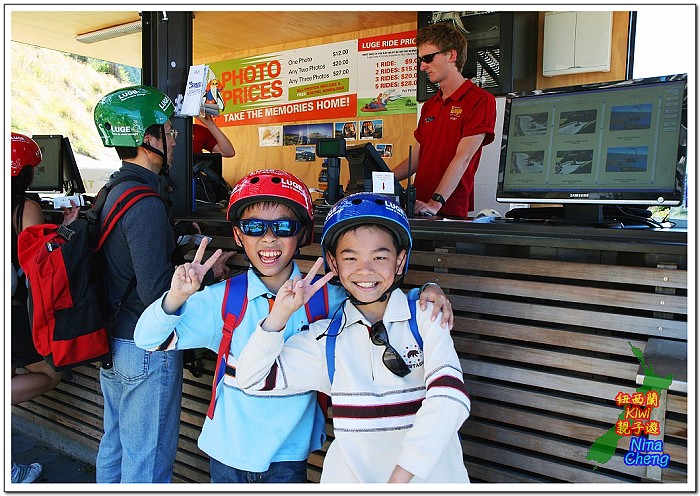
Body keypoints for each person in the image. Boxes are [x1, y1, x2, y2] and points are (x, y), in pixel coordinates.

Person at [134, 170, 453, 483]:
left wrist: (426, 291)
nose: (268, 237)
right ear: (238, 235)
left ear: (302, 234)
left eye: (283, 226)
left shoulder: (327, 298)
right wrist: (176, 296)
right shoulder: (223, 299)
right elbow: (147, 339)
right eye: (254, 226)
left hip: (289, 454)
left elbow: (375, 296)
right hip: (228, 452)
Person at [236, 192, 471, 483]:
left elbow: (449, 397)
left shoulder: (426, 316)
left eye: (379, 257)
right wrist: (279, 315)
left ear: (400, 261)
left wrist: (398, 480)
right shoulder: (326, 339)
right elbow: (251, 379)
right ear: (333, 264)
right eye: (350, 258)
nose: (365, 270)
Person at [92, 85, 232, 483]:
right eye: (168, 132)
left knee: (115, 445)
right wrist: (208, 275)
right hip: (144, 348)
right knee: (147, 461)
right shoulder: (145, 203)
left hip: (112, 341)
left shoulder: (112, 190)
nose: (174, 139)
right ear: (147, 139)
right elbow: (156, 293)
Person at [10, 132, 80, 483]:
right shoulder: (25, 208)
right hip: (13, 312)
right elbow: (37, 261)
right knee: (51, 375)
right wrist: (66, 229)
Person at [392, 22, 497, 218]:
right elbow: (416, 159)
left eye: (428, 58)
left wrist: (435, 203)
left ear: (451, 55)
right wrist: (380, 181)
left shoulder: (481, 100)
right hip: (417, 206)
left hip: (447, 209)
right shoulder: (430, 105)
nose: (422, 66)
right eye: (420, 60)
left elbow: (464, 157)